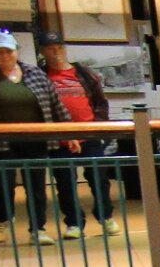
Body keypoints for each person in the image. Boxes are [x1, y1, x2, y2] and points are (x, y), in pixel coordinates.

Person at [0, 29, 70, 242]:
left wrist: (69, 132)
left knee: (36, 187)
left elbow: (56, 105)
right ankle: (4, 219)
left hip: (35, 139)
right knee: (2, 184)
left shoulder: (35, 73)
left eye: (9, 51)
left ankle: (38, 229)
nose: (5, 56)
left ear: (17, 51)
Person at [37, 39, 121, 234]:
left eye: (59, 48)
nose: (56, 52)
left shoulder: (84, 74)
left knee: (99, 179)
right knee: (65, 183)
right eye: (50, 49)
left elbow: (100, 101)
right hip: (59, 138)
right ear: (43, 51)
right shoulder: (40, 76)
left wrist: (100, 126)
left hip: (89, 135)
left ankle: (106, 216)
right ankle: (74, 223)